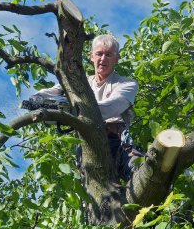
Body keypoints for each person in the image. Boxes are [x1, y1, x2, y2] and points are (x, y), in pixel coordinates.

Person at [32, 34, 140, 182]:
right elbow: (53, 91)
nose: (103, 59)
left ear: (117, 58)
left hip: (117, 143)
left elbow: (111, 107)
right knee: (99, 198)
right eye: (99, 54)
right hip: (87, 145)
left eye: (108, 54)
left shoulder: (127, 84)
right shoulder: (80, 82)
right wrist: (36, 99)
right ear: (91, 57)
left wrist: (76, 108)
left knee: (141, 170)